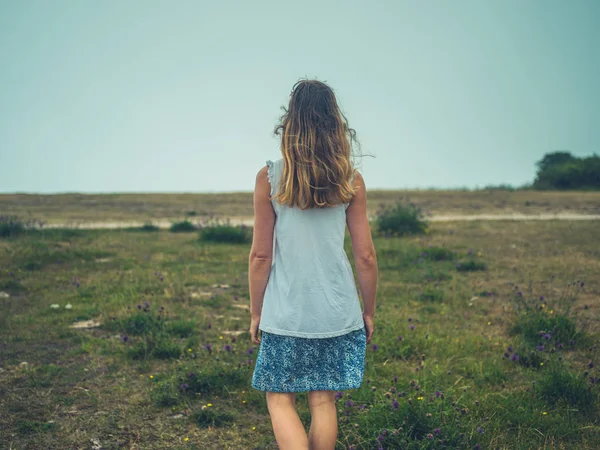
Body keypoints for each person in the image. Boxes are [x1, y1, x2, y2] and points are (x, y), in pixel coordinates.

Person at [248, 78, 378, 450]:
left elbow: (260, 256)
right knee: (323, 400)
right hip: (336, 312)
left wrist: (257, 312)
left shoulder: (269, 177)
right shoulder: (350, 180)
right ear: (334, 124)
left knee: (279, 398)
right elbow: (365, 256)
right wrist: (368, 311)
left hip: (285, 312)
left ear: (290, 123)